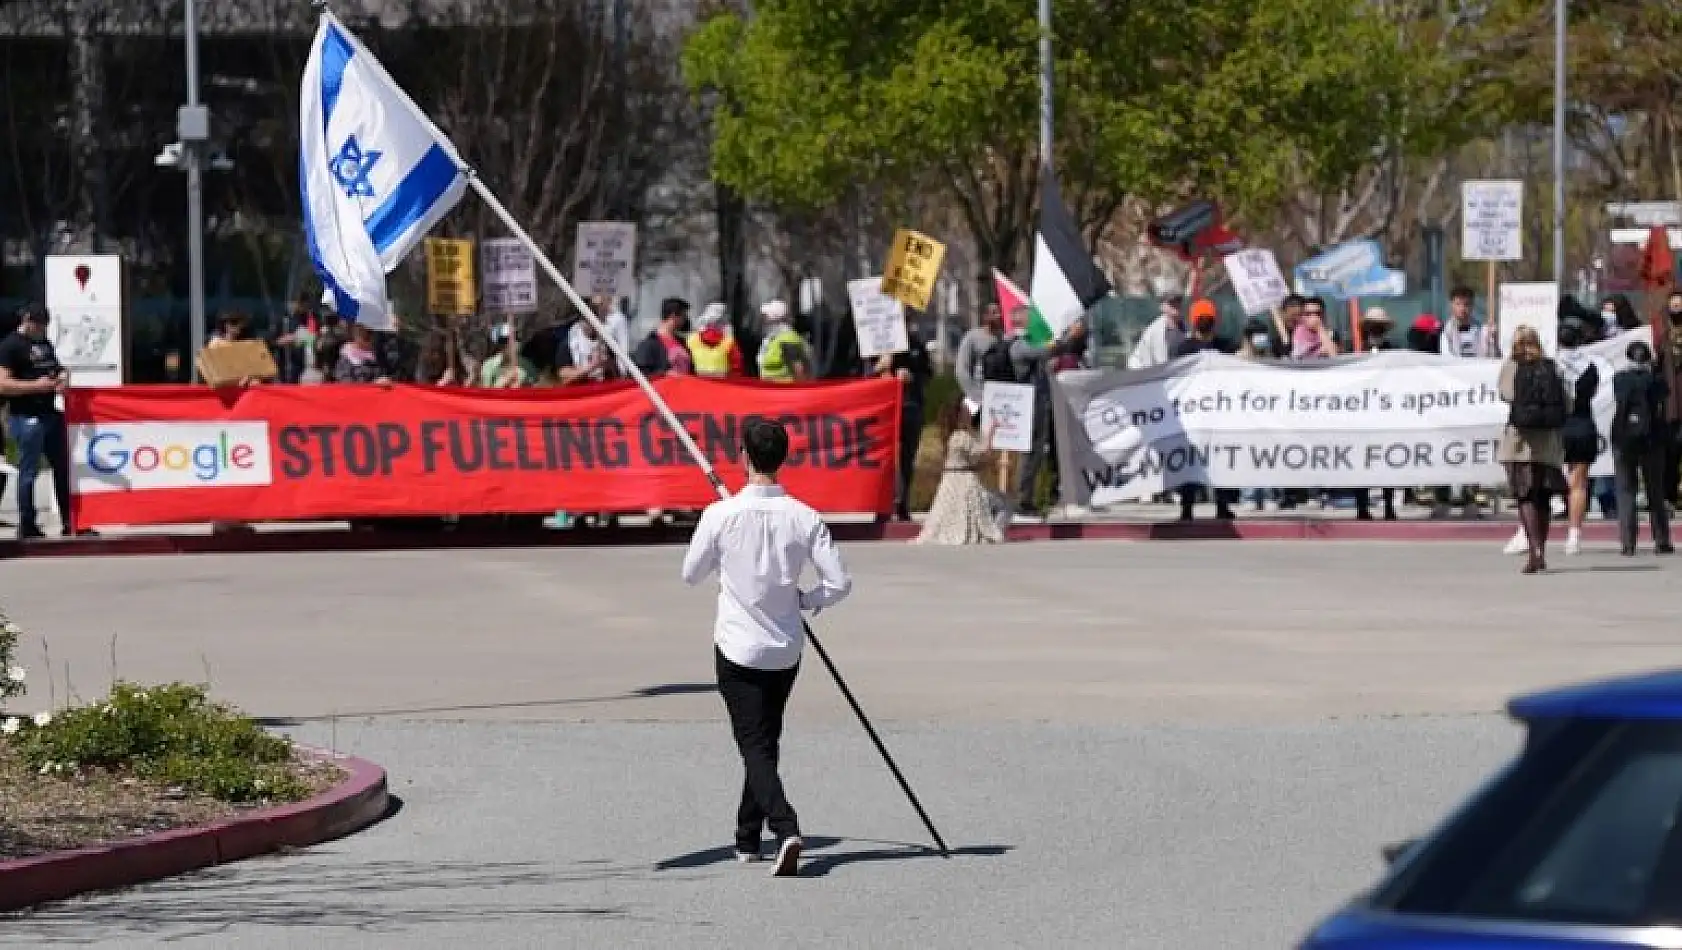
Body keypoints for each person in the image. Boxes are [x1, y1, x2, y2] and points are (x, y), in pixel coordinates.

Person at [680, 418, 852, 877]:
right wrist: (806, 599)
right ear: (781, 459)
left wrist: (722, 546)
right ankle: (746, 837)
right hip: (785, 648)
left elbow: (690, 573)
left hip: (738, 646)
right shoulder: (803, 516)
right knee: (764, 741)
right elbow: (839, 583)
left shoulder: (721, 515)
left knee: (754, 745)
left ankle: (786, 825)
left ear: (744, 457)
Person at [1508, 319, 1601, 556]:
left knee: (1541, 483)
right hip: (1582, 424)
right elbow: (1593, 393)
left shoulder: (1549, 365)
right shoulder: (1591, 366)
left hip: (1555, 426)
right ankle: (1574, 536)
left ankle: (1527, 532)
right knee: (1578, 484)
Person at [0, 304, 84, 539]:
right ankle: (27, 523)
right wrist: (35, 386)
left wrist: (63, 377)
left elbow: (54, 367)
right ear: (26, 320)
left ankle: (70, 520)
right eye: (36, 324)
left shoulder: (42, 342)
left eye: (43, 325)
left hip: (49, 412)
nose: (40, 329)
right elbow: (3, 384)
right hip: (25, 415)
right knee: (29, 471)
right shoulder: (10, 346)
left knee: (63, 468)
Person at [1498, 325, 1570, 574]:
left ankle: (1534, 550)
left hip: (1519, 441)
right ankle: (1541, 549)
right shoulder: (1552, 367)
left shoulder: (1512, 366)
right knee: (1543, 498)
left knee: (1525, 496)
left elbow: (1506, 394)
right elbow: (1567, 402)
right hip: (1547, 442)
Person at [1171, 300, 1237, 521]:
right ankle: (1187, 507)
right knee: (1191, 460)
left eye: (1207, 318)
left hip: (1220, 413)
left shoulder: (1226, 346)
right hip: (1195, 414)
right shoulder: (1185, 349)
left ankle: (1223, 505)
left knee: (1220, 461)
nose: (1205, 322)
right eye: (1202, 318)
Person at [1608, 340, 1673, 557]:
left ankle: (1628, 542)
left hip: (1623, 439)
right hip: (1652, 438)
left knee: (1625, 490)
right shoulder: (1656, 381)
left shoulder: (1620, 379)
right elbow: (1664, 396)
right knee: (1655, 490)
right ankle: (1661, 539)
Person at [914, 401, 1007, 545]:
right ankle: (995, 531)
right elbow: (983, 453)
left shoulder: (951, 436)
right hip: (963, 480)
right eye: (967, 413)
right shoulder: (962, 437)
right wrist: (992, 432)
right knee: (1003, 504)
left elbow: (972, 459)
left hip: (950, 480)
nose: (970, 415)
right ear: (960, 416)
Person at [874, 333, 932, 522]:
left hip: (910, 407)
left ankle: (903, 504)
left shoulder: (916, 344)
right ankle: (882, 505)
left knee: (907, 458)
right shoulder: (875, 345)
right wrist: (880, 368)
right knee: (883, 459)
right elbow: (861, 376)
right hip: (884, 408)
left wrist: (913, 376)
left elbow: (928, 373)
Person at [1354, 307, 1399, 522]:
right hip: (1361, 414)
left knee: (1387, 462)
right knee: (1360, 461)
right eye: (1372, 327)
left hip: (1385, 413)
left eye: (1379, 328)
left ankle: (1389, 506)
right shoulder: (1356, 352)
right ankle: (1362, 507)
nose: (1376, 331)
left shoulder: (1393, 351)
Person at [1652, 290, 1682, 508]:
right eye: (1674, 305)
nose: (1677, 308)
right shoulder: (1661, 333)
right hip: (1670, 401)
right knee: (1670, 450)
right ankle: (1668, 494)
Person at [953, 302, 1006, 412]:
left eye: (999, 312)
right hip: (977, 397)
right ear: (985, 316)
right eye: (994, 313)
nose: (999, 316)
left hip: (1000, 398)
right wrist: (975, 396)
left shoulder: (1005, 339)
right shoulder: (972, 337)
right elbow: (961, 370)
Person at [632, 297, 693, 376]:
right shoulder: (649, 344)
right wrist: (663, 374)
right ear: (673, 315)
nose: (685, 320)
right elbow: (640, 374)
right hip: (664, 387)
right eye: (683, 316)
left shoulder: (682, 342)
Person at [1127, 293, 1185, 369]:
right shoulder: (1152, 331)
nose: (1176, 305)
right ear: (1162, 307)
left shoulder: (1187, 328)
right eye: (1171, 302)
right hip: (1162, 376)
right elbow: (1135, 359)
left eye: (1178, 301)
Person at [756, 300, 810, 382]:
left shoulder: (787, 339)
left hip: (785, 391)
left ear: (774, 318)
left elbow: (799, 370)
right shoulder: (772, 338)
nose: (763, 320)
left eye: (766, 316)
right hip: (771, 391)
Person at [687, 303, 745, 379]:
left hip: (698, 384)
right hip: (722, 385)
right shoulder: (729, 342)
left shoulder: (692, 339)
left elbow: (685, 363)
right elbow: (737, 366)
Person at [1440, 286, 1497, 359]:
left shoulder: (1483, 330)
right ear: (1451, 305)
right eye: (1458, 304)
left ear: (1472, 305)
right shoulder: (1446, 331)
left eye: (1466, 304)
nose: (1462, 309)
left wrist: (1494, 342)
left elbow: (1493, 359)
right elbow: (1447, 358)